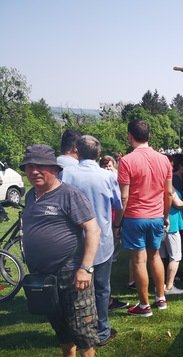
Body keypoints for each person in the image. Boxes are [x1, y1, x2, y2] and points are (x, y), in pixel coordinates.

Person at [20, 144, 101, 357]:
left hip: (72, 269)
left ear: (54, 169)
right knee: (58, 320)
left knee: (82, 322)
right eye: (30, 167)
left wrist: (85, 268)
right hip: (44, 273)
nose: (34, 171)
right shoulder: (31, 196)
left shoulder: (69, 195)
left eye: (40, 167)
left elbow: (92, 230)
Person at [61, 135, 125, 343]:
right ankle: (102, 330)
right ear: (98, 153)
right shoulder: (107, 177)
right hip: (101, 239)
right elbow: (117, 205)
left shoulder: (66, 174)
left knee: (74, 289)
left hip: (73, 239)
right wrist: (116, 225)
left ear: (77, 151)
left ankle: (76, 329)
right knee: (101, 288)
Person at [117, 119, 172, 316]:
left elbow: (124, 196)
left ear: (130, 136)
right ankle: (161, 297)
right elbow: (169, 193)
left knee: (139, 261)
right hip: (156, 215)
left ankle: (144, 305)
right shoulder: (164, 160)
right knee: (155, 255)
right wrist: (165, 215)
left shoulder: (126, 161)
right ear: (148, 136)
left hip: (135, 217)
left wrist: (118, 222)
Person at [160, 187, 183, 295]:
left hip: (158, 221)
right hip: (171, 223)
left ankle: (160, 285)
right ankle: (170, 286)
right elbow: (176, 202)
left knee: (160, 257)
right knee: (175, 256)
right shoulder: (168, 185)